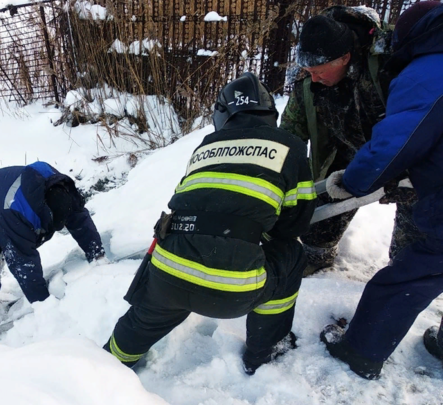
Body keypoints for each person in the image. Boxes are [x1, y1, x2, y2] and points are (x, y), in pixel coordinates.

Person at [103, 73, 316, 374]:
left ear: (222, 115)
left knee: (143, 320)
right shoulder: (290, 147)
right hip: (232, 294)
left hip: (166, 273)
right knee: (292, 255)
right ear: (270, 114)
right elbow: (294, 224)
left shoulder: (205, 147)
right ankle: (263, 350)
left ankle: (106, 367)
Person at [320, 1, 443, 380]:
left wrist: (352, 182)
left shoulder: (429, 70)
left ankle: (359, 351)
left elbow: (396, 141)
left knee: (406, 278)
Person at [280, 6, 419, 275]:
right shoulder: (311, 80)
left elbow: (420, 119)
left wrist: (400, 171)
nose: (314, 78)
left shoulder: (389, 66)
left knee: (412, 243)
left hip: (408, 155)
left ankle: (404, 283)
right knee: (318, 225)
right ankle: (317, 257)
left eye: (319, 71)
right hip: (345, 151)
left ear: (344, 58)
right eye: (309, 71)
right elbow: (290, 135)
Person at [0, 161, 105, 323]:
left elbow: (79, 219)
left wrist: (97, 254)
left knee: (1, 254)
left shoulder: (60, 186)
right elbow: (23, 263)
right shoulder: (14, 211)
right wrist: (44, 306)